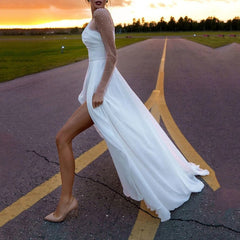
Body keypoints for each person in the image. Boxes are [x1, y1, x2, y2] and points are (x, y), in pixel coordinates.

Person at [44, 0, 209, 223]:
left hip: (105, 90)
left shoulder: (102, 14)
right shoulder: (96, 17)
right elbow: (98, 57)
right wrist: (91, 87)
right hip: (98, 86)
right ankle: (67, 200)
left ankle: (66, 201)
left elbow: (112, 55)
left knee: (63, 138)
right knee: (126, 136)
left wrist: (100, 90)